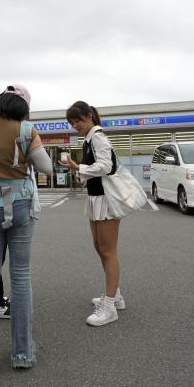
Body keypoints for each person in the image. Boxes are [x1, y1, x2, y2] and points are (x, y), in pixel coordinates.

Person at [0, 85, 53, 378]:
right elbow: (47, 168)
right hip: (20, 206)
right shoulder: (26, 129)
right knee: (21, 276)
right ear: (22, 107)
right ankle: (22, 355)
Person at [59, 101, 126, 327]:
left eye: (78, 120)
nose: (75, 125)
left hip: (106, 200)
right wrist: (79, 171)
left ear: (89, 116)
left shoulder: (97, 135)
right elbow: (97, 169)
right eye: (71, 122)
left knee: (108, 250)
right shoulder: (88, 139)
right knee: (100, 248)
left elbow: (106, 166)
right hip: (96, 198)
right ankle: (114, 295)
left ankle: (109, 306)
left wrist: (78, 168)